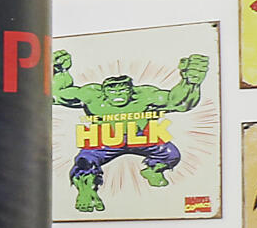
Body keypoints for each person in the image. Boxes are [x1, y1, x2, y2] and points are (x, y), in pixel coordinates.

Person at [51, 47, 209, 213]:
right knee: (84, 162)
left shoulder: (144, 95)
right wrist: (60, 71)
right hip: (106, 140)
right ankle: (86, 192)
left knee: (171, 154)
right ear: (104, 91)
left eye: (122, 89)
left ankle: (153, 170)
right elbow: (57, 96)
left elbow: (178, 104)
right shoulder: (92, 96)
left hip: (140, 137)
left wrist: (190, 82)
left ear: (131, 91)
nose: (118, 94)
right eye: (112, 90)